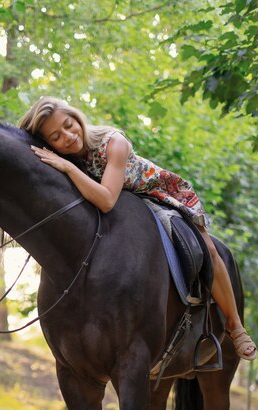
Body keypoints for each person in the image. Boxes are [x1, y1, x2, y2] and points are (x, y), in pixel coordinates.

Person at [19, 96, 256, 361]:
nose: (68, 135)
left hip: (162, 194)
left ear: (77, 117)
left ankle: (235, 326)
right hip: (128, 206)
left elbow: (107, 200)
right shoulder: (67, 159)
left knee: (208, 249)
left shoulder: (113, 143)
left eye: (68, 124)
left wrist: (67, 169)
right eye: (55, 136)